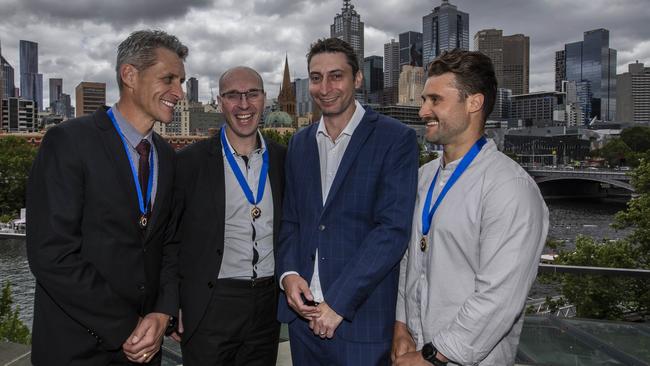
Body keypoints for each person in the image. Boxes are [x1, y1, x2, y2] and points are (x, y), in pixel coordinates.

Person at [26, 30, 187, 365]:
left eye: (182, 81)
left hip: (146, 348)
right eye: (169, 78)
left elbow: (170, 245)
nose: (179, 92)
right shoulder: (68, 142)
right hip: (75, 350)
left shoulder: (167, 157)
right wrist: (126, 326)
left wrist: (162, 312)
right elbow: (52, 254)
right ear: (129, 75)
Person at [392, 49, 549, 366]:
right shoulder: (423, 177)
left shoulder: (511, 189)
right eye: (424, 99)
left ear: (474, 103)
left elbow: (499, 298)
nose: (423, 111)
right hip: (413, 349)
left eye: (435, 100)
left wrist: (431, 357)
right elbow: (408, 261)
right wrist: (400, 326)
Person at [277, 38, 419, 365]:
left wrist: (338, 303)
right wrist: (289, 275)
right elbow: (291, 222)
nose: (324, 87)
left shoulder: (395, 139)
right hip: (303, 322)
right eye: (315, 78)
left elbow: (392, 230)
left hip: (360, 324)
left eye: (336, 76)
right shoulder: (299, 143)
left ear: (357, 79)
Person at [172, 66, 285, 365]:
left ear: (264, 99)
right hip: (211, 303)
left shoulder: (285, 159)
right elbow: (169, 240)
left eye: (252, 94)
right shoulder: (188, 163)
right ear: (220, 102)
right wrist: (171, 303)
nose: (244, 104)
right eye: (233, 95)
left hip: (268, 304)